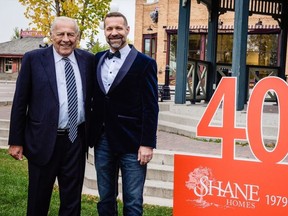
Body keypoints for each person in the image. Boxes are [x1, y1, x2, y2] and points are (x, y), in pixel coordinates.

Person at [8, 16, 94, 216]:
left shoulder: (88, 60)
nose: (66, 39)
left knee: (72, 201)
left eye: (71, 34)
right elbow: (20, 102)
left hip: (76, 139)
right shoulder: (33, 59)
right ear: (52, 35)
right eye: (60, 34)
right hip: (42, 140)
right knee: (38, 199)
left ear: (78, 37)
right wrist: (16, 141)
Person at [90, 12, 159, 216]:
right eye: (109, 29)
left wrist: (147, 143)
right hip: (102, 141)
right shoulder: (97, 59)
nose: (114, 33)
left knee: (133, 202)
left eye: (118, 28)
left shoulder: (145, 63)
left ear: (127, 30)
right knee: (106, 199)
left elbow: (150, 107)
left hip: (133, 143)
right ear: (104, 31)